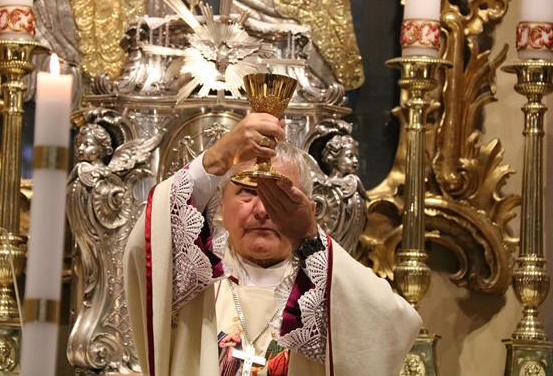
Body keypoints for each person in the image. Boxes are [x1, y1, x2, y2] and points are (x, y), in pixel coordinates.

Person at [124, 113, 422, 376]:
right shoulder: (188, 280)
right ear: (220, 207)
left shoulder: (325, 294)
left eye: (280, 196)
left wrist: (310, 238)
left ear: (310, 211)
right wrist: (215, 158)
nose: (262, 209)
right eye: (246, 191)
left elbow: (393, 321)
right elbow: (146, 250)